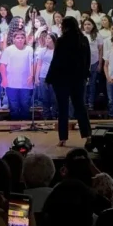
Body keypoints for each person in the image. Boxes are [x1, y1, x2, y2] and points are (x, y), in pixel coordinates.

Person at [46, 17, 93, 147]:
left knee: (63, 109)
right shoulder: (83, 40)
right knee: (80, 107)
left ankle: (63, 138)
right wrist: (85, 75)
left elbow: (56, 60)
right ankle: (88, 135)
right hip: (78, 78)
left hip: (62, 79)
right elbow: (88, 59)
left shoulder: (61, 41)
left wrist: (49, 78)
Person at [0, 30, 35, 121]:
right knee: (13, 107)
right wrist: (4, 79)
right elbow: (2, 65)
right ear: (14, 39)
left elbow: (32, 63)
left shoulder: (29, 49)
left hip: (26, 84)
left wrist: (32, 75)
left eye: (22, 38)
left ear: (25, 39)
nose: (20, 40)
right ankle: (15, 126)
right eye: (18, 38)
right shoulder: (8, 50)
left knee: (25, 106)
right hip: (11, 83)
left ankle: (25, 128)